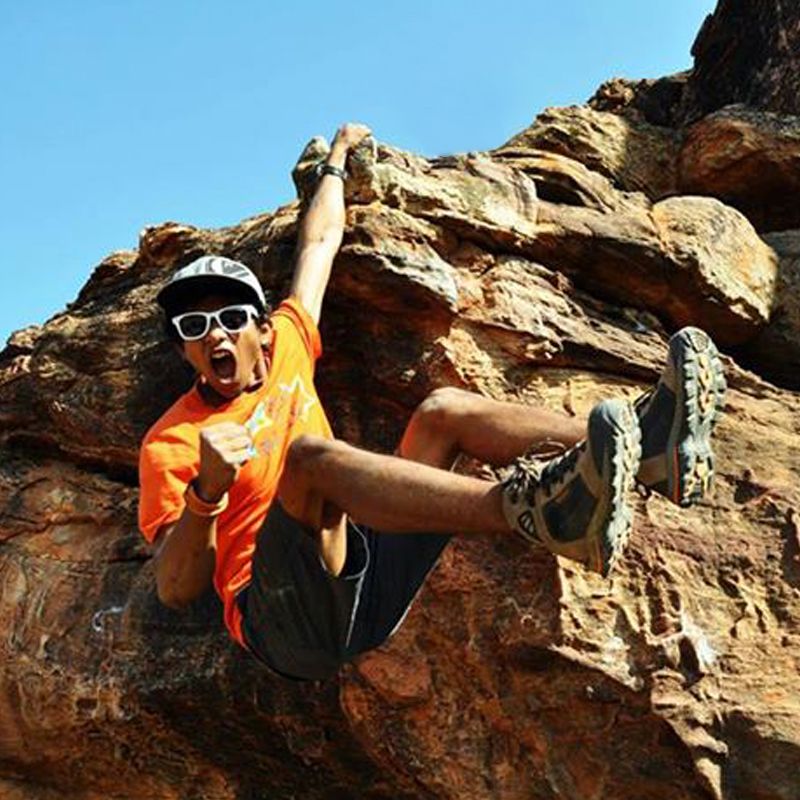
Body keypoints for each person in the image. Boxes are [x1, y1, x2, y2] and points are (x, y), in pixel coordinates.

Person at [138, 122, 727, 681]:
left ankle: (655, 447)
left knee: (444, 412)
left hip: (364, 577)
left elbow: (319, 244)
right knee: (311, 460)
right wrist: (206, 494)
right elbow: (175, 587)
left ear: (263, 328)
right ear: (184, 350)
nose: (215, 333)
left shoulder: (290, 340)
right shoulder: (172, 442)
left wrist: (335, 167)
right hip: (283, 622)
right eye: (194, 324)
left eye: (232, 316)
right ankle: (540, 512)